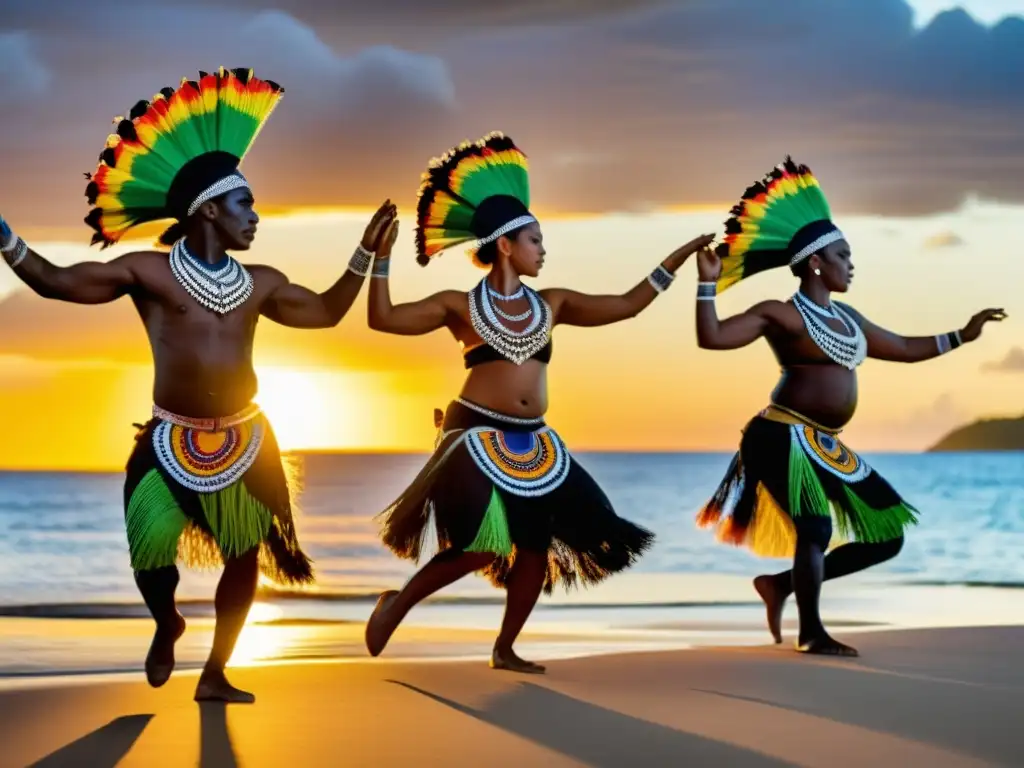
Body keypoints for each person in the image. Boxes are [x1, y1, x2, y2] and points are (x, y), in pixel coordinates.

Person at [0, 67, 396, 702]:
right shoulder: (148, 273)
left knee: (245, 558)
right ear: (209, 209)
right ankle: (167, 621)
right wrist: (6, 238)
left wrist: (366, 254)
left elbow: (324, 312)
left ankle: (215, 673)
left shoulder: (261, 281)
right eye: (246, 205)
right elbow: (56, 282)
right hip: (167, 441)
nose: (256, 217)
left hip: (246, 439)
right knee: (148, 553)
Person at [363, 132, 714, 673]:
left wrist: (679, 261)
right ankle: (398, 603)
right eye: (535, 240)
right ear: (506, 244)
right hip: (472, 436)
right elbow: (382, 320)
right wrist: (378, 260)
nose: (543, 250)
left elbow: (625, 305)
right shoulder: (458, 305)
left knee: (534, 545)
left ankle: (505, 649)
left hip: (536, 439)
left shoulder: (553, 303)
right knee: (482, 544)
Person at [693, 157, 1006, 657]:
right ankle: (811, 632)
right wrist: (706, 284)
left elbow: (903, 347)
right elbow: (712, 338)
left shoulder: (849, 319)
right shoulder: (780, 313)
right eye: (843, 255)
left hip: (823, 443)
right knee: (815, 528)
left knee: (888, 533)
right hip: (780, 436)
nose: (851, 264)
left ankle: (780, 585)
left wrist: (962, 335)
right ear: (817, 262)